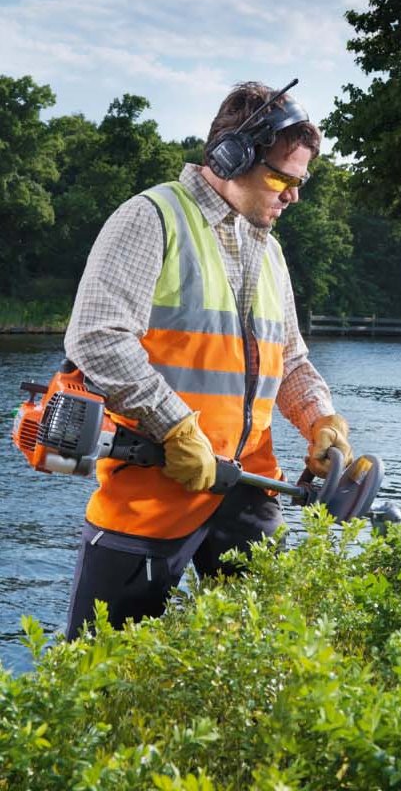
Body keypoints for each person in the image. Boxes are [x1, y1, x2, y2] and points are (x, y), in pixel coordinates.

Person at [63, 80, 353, 640]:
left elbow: (289, 360)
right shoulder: (151, 218)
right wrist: (175, 427)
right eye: (281, 177)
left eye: (301, 182)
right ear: (230, 156)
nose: (293, 194)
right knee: (98, 676)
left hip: (249, 491)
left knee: (270, 662)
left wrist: (322, 420)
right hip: (151, 490)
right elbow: (97, 337)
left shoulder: (270, 251)